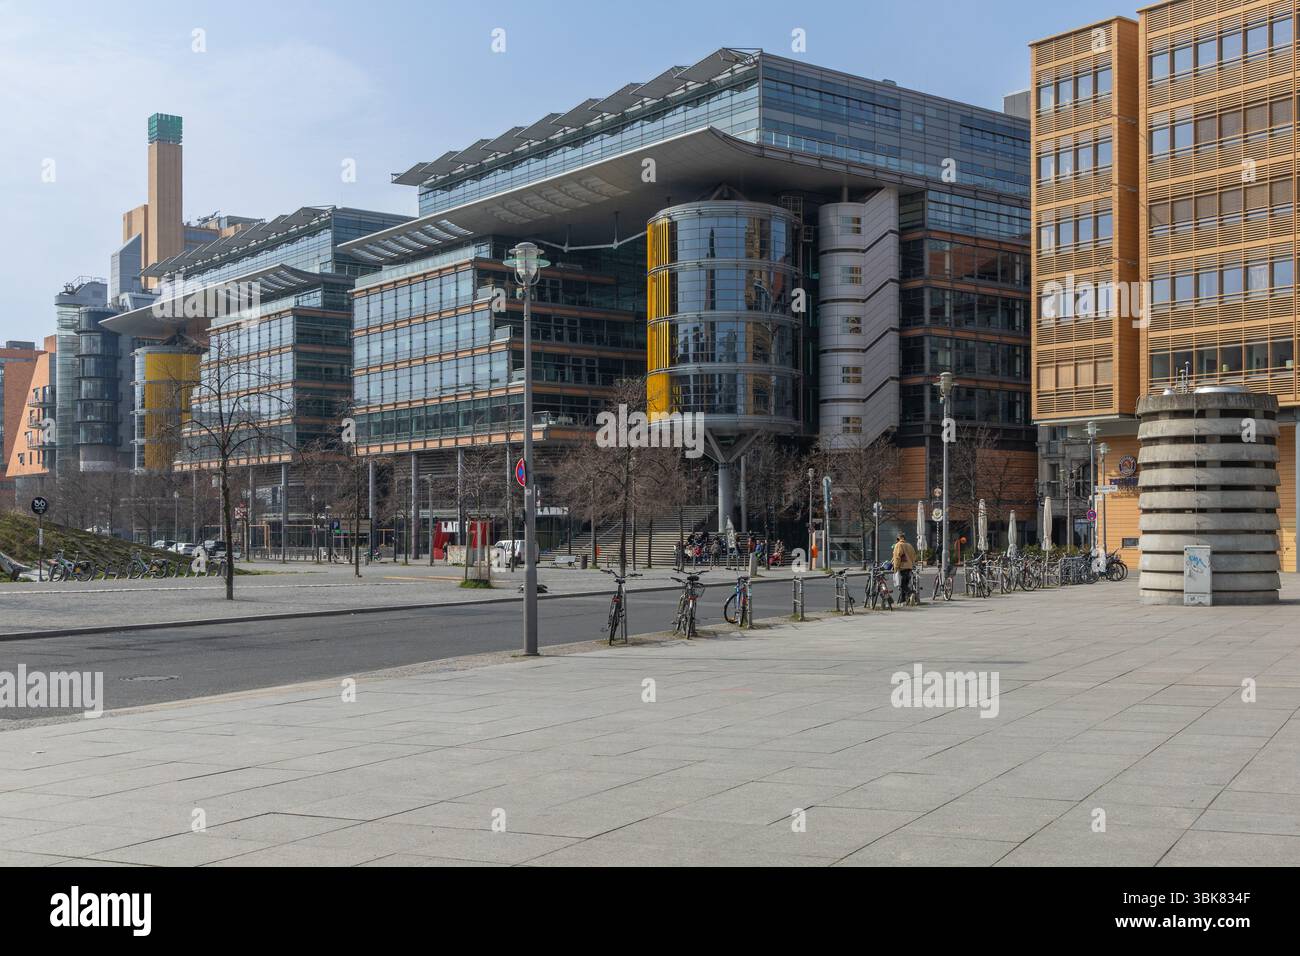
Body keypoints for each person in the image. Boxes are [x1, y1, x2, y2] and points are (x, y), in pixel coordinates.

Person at [891, 532, 918, 605]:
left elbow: (897, 557)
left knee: (902, 585)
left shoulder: (898, 545)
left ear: (898, 539)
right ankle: (902, 600)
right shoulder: (909, 545)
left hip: (902, 567)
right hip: (909, 567)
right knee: (905, 583)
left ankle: (911, 593)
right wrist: (912, 564)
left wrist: (895, 567)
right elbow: (914, 556)